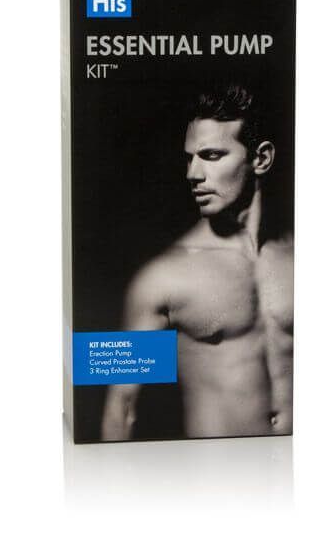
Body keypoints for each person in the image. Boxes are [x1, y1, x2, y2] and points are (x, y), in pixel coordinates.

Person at [101, 84, 293, 440]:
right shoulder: (166, 277)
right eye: (190, 158)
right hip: (213, 470)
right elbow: (121, 409)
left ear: (261, 159)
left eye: (211, 155)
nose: (193, 174)